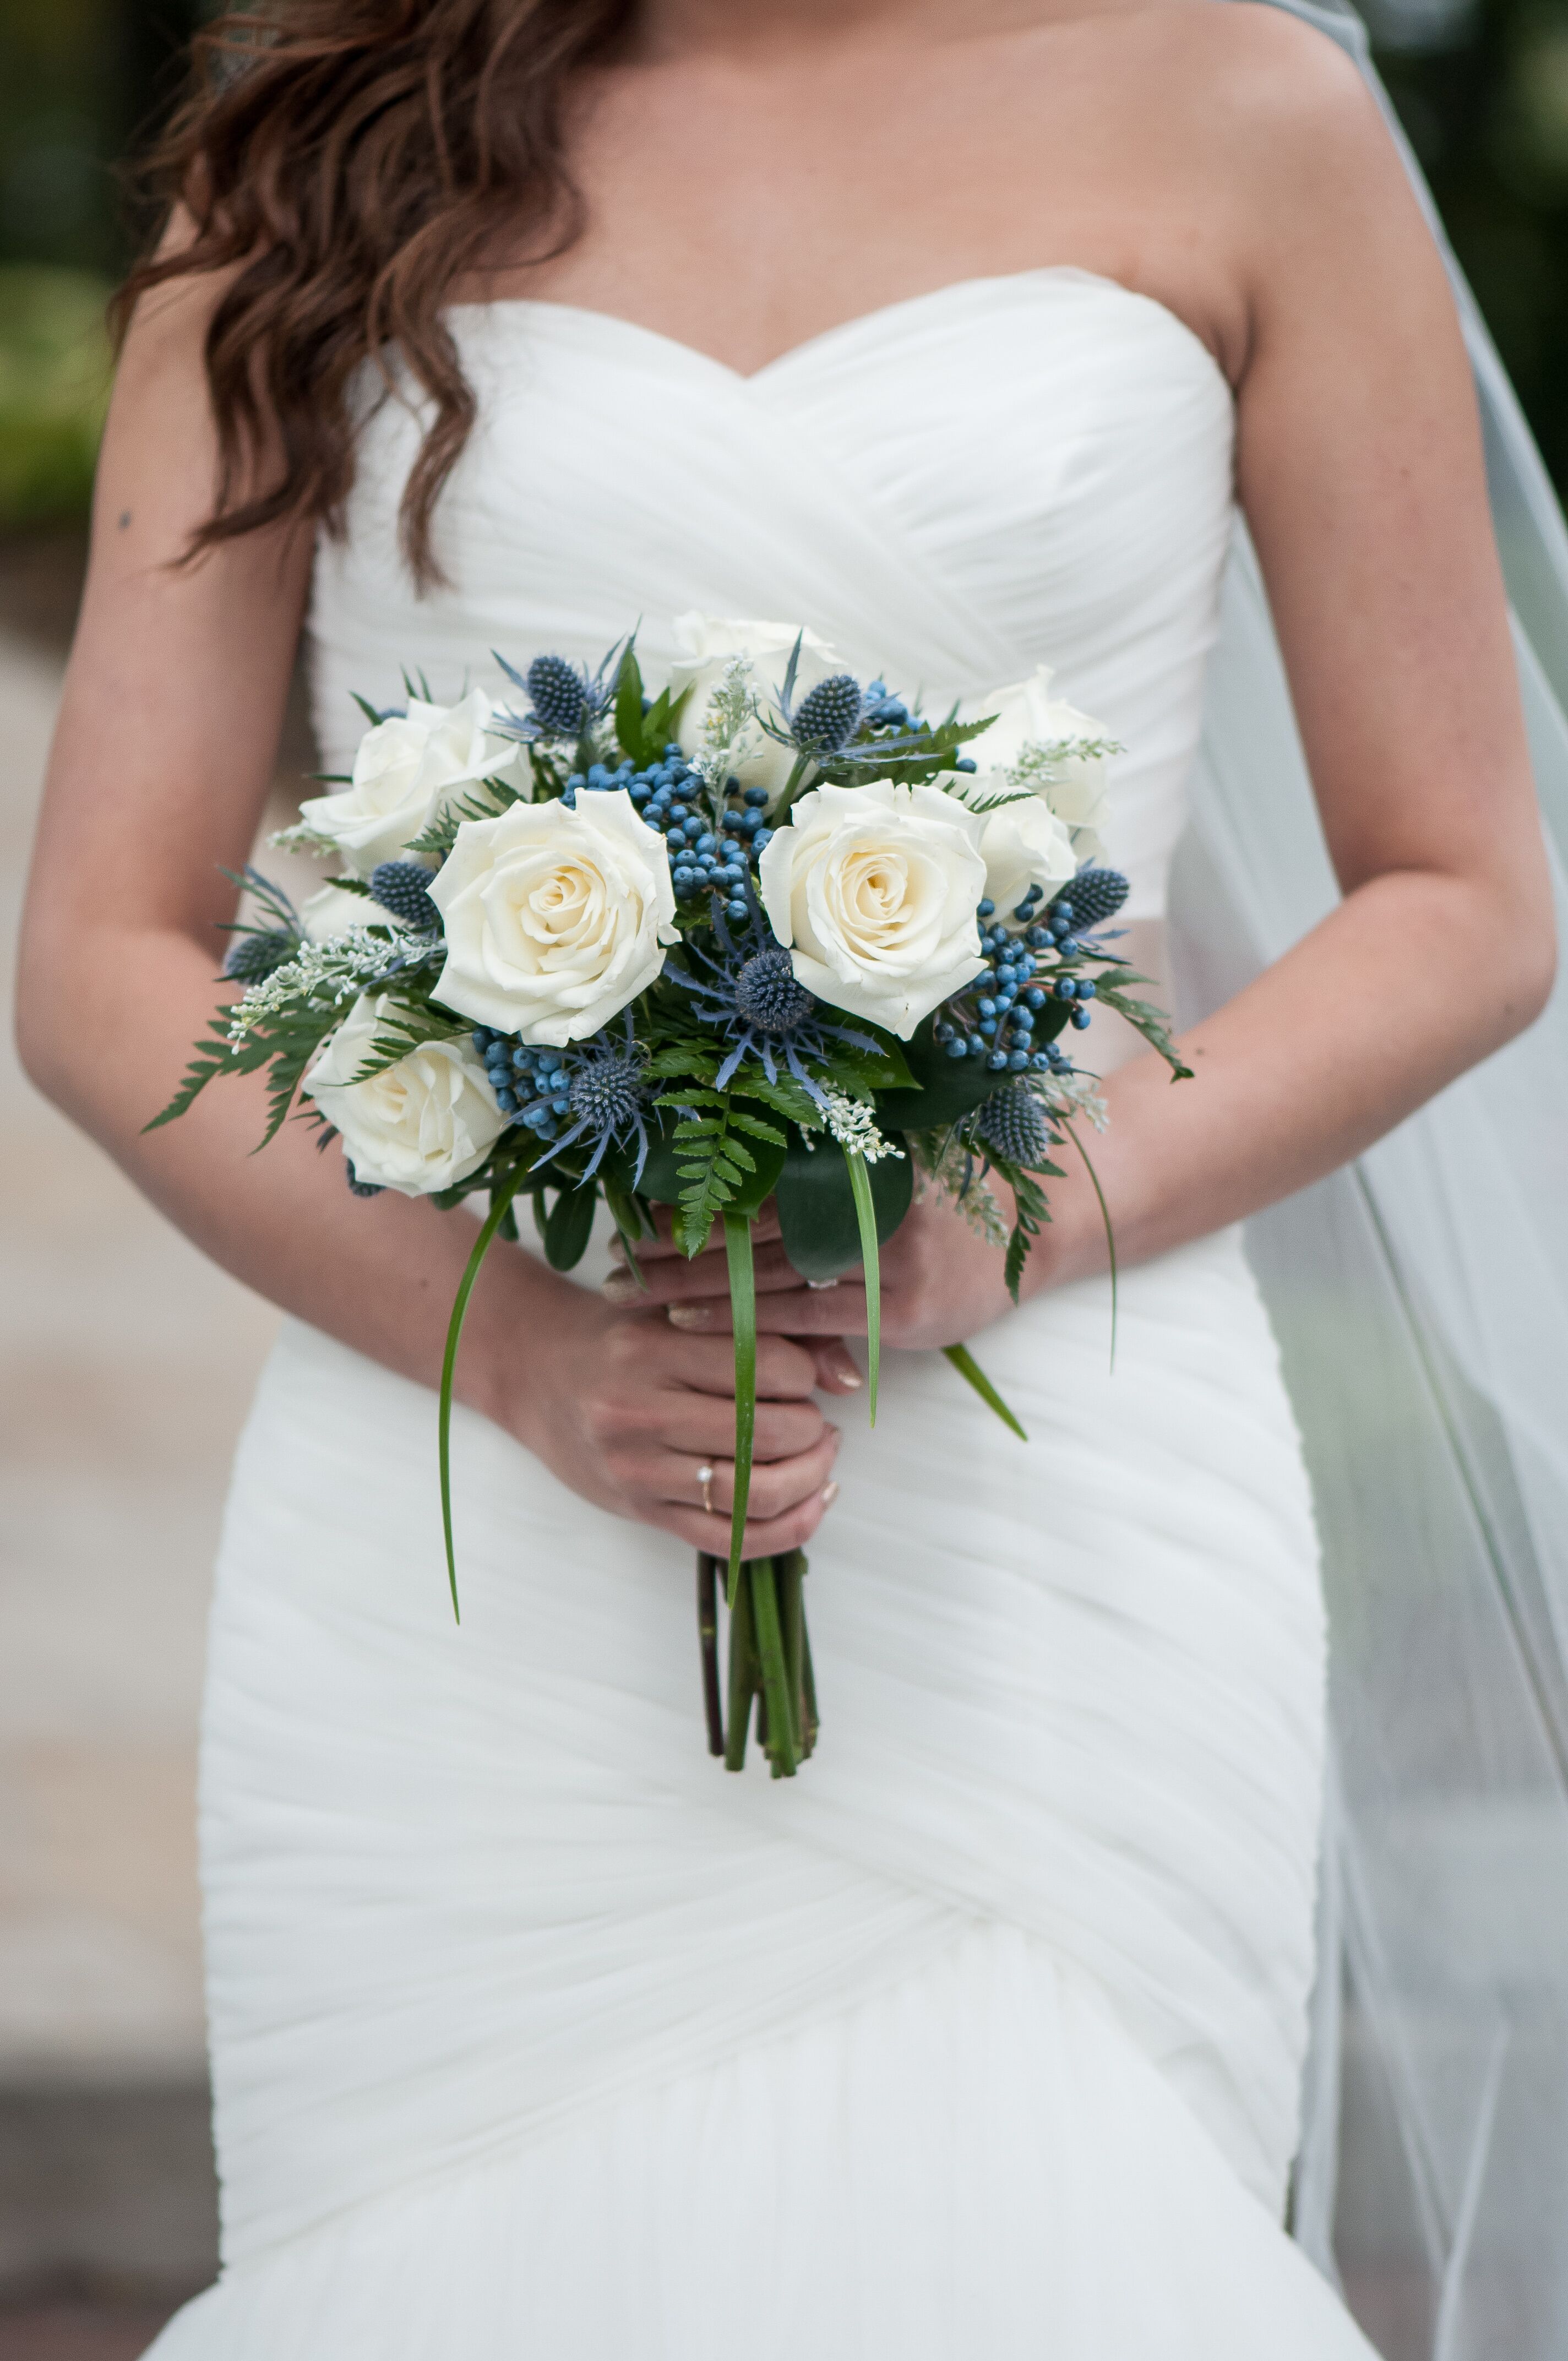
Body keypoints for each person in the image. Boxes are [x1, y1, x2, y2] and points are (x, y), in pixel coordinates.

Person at [15, 0, 1557, 2350]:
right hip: (463, 1496)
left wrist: (1008, 1219)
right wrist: (518, 1352)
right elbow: (107, 954)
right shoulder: (311, 157)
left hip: (1063, 1507)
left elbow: (1462, 891)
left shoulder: (1246, 117)